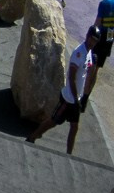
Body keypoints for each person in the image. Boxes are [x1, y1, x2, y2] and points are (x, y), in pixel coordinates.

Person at [28, 26, 106, 155]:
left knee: (74, 127)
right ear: (87, 37)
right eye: (92, 39)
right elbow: (71, 77)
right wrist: (75, 98)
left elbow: (87, 72)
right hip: (68, 98)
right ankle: (33, 136)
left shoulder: (89, 53)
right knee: (53, 121)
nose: (93, 43)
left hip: (76, 99)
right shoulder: (79, 53)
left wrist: (83, 96)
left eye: (95, 41)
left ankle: (69, 154)